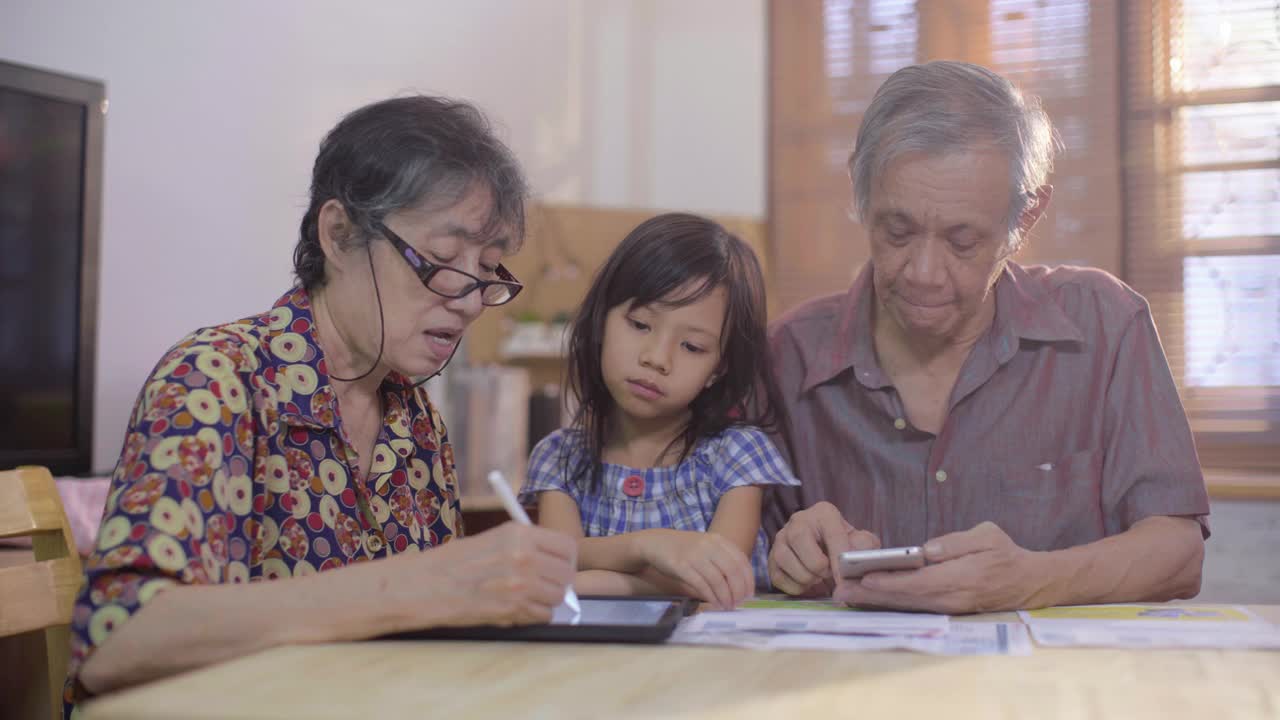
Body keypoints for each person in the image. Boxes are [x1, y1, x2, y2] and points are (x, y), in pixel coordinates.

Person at [65, 96, 578, 711]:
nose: (470, 300)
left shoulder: (415, 424)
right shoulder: (216, 378)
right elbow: (117, 637)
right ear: (338, 234)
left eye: (489, 268)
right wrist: (417, 587)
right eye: (442, 261)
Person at [764, 61, 1210, 614]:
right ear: (860, 192)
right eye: (897, 231)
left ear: (1027, 216)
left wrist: (1033, 579)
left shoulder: (1105, 325)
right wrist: (785, 557)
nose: (924, 271)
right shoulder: (785, 356)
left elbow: (1178, 551)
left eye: (963, 240)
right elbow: (724, 555)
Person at [520, 213, 798, 609]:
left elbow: (719, 581)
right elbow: (562, 562)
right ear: (602, 321)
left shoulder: (737, 456)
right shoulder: (560, 458)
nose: (657, 358)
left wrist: (597, 577)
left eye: (692, 347)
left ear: (716, 369)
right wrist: (647, 547)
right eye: (639, 324)